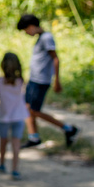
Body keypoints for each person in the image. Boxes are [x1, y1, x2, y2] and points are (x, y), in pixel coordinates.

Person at [16, 13, 78, 148]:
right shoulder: (40, 38)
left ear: (32, 26)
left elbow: (55, 59)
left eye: (26, 30)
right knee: (27, 108)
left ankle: (68, 129)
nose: (26, 33)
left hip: (41, 81)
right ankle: (34, 138)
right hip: (34, 80)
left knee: (35, 110)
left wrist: (57, 80)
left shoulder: (47, 38)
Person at [0, 53, 28, 179]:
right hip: (19, 116)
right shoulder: (20, 81)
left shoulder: (0, 81)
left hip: (4, 117)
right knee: (16, 144)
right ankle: (15, 169)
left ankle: (1, 164)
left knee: (3, 142)